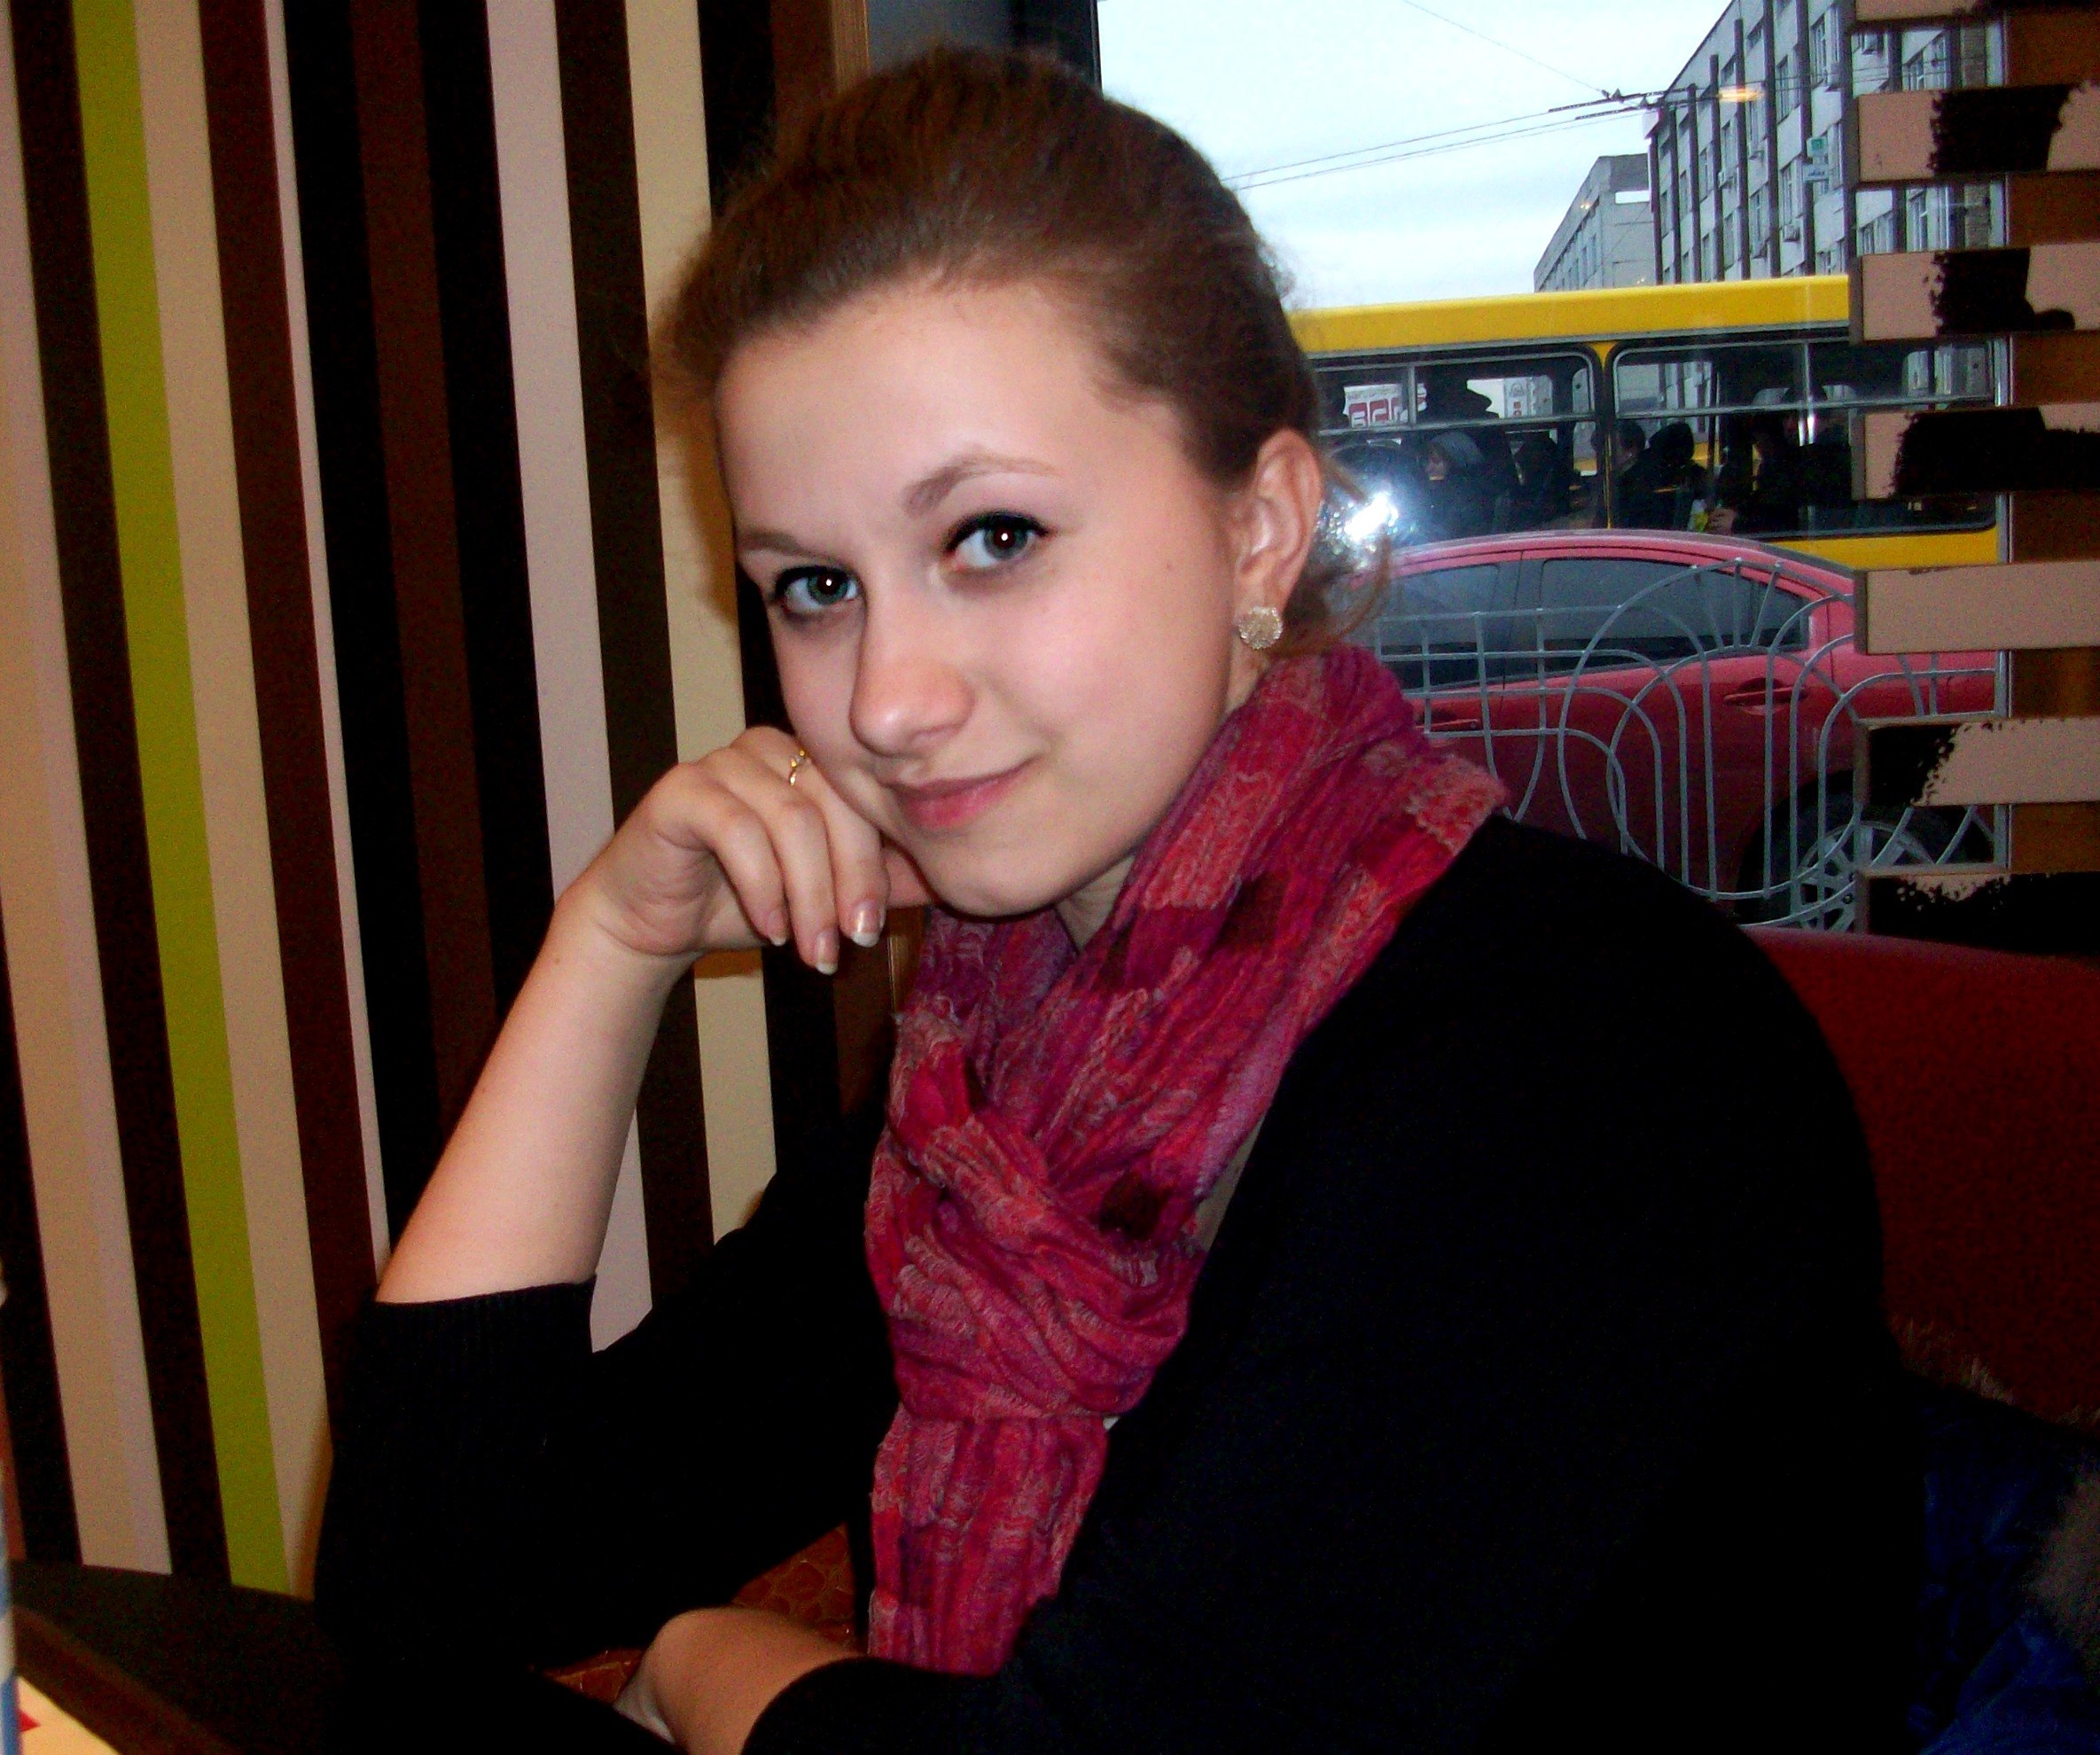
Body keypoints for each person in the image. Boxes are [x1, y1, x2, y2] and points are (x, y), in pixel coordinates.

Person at [316, 50, 1917, 1754]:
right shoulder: (1001, 1091)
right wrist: (609, 943)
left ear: (1262, 527)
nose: (885, 701)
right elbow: (433, 1590)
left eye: (993, 538)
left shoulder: (1580, 1053)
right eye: (815, 586)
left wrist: (718, 1664)